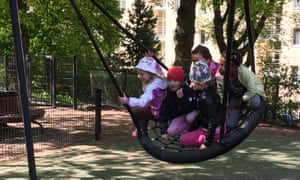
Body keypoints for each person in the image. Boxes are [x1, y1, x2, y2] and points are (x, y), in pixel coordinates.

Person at [119, 55, 167, 137]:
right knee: (141, 110)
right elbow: (160, 72)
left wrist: (128, 101)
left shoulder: (151, 88)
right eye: (138, 74)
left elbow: (142, 102)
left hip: (156, 113)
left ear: (151, 74)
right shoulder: (159, 80)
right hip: (159, 108)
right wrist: (151, 58)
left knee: (135, 111)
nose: (139, 76)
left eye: (142, 74)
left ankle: (141, 129)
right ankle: (140, 128)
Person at [218, 51, 266, 131]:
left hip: (250, 95)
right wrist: (226, 107)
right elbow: (222, 93)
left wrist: (241, 100)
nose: (220, 68)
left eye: (223, 65)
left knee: (255, 102)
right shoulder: (223, 76)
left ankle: (246, 111)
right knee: (229, 124)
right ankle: (238, 113)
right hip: (236, 96)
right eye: (220, 64)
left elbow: (252, 89)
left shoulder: (244, 72)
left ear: (234, 67)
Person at [180, 59, 222, 149]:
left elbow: (212, 120)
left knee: (183, 139)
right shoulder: (208, 92)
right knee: (188, 134)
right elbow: (201, 116)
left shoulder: (205, 99)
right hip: (214, 127)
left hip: (214, 132)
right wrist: (190, 130)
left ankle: (208, 138)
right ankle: (201, 133)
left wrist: (206, 143)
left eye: (193, 82)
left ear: (202, 82)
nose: (191, 85)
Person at [159, 66, 198, 140]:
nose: (172, 83)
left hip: (190, 113)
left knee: (190, 118)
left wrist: (181, 98)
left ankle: (195, 129)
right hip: (179, 117)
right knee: (171, 131)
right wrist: (163, 131)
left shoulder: (187, 90)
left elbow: (190, 109)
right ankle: (188, 131)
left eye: (175, 80)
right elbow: (163, 112)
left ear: (180, 81)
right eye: (170, 80)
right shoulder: (168, 94)